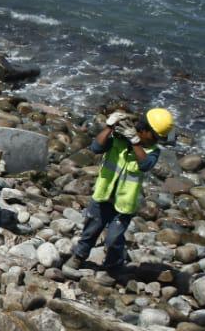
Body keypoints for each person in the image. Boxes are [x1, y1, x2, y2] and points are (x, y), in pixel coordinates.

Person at [63, 107, 173, 277]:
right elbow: (96, 147)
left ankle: (113, 266)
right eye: (155, 136)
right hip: (103, 196)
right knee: (90, 230)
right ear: (144, 130)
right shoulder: (117, 140)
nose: (156, 141)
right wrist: (109, 127)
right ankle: (79, 257)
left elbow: (145, 165)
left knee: (114, 238)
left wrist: (135, 142)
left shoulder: (152, 151)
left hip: (124, 204)